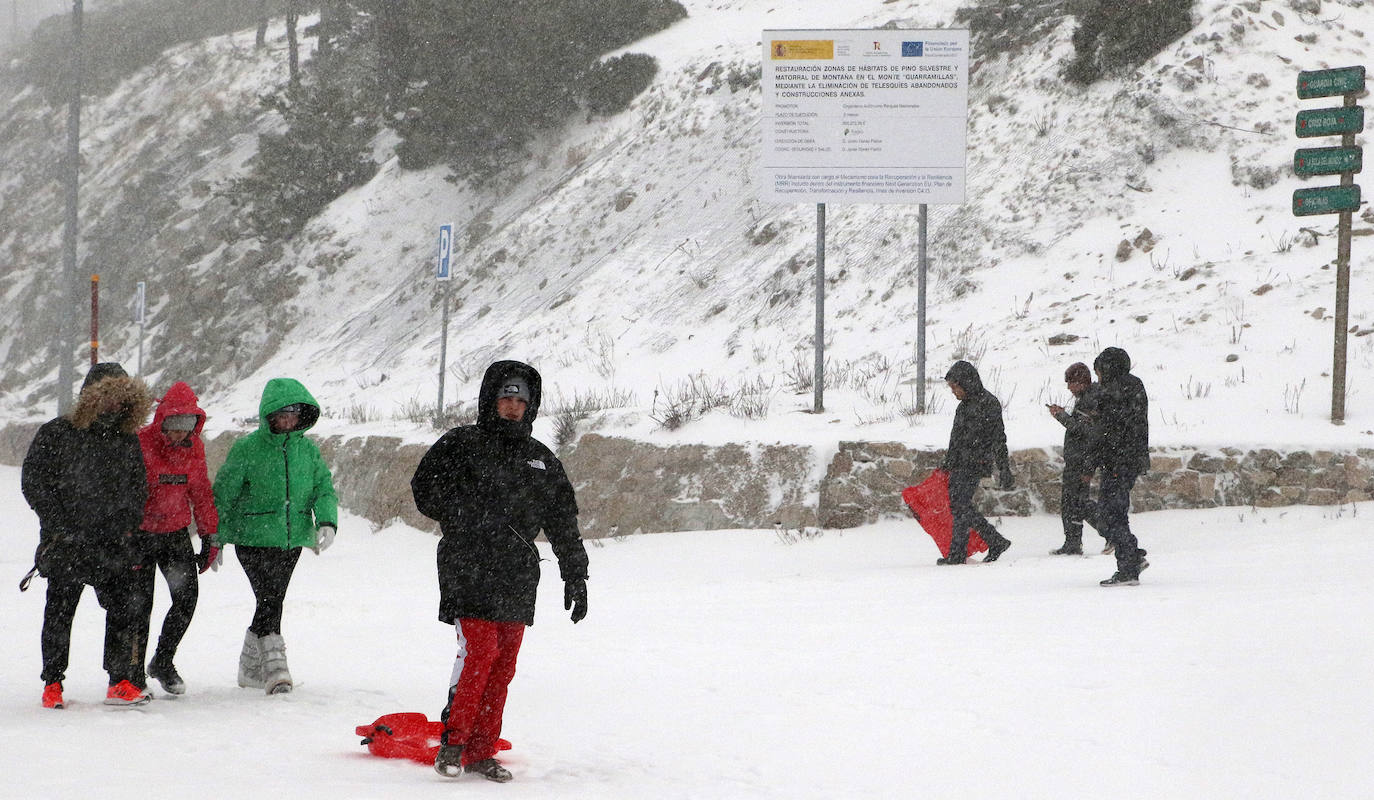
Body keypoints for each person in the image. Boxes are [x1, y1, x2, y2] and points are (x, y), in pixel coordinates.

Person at [412, 360, 590, 783]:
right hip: (467, 563)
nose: (513, 406)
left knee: (504, 662)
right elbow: (425, 488)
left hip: (517, 572)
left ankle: (481, 750)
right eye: (506, 398)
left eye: (521, 400)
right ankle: (452, 744)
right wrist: (461, 516)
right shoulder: (461, 443)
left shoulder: (541, 459)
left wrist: (575, 575)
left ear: (531, 407)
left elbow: (563, 520)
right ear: (492, 400)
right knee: (481, 653)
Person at [21, 362, 155, 708]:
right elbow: (35, 482)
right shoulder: (57, 432)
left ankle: (119, 681)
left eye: (120, 399)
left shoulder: (126, 440)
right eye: (107, 397)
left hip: (112, 543)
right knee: (60, 612)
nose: (113, 405)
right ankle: (52, 683)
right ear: (90, 397)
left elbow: (138, 487)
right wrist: (59, 524)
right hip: (66, 543)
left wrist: (126, 523)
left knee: (124, 609)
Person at [212, 378, 338, 693]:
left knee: (272, 599)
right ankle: (274, 668)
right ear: (269, 414)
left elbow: (323, 488)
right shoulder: (247, 448)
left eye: (294, 411)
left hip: (292, 539)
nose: (288, 417)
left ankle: (250, 668)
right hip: (252, 539)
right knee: (269, 598)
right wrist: (215, 537)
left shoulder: (308, 450)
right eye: (282, 412)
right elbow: (223, 495)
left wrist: (326, 521)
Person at [134, 381, 220, 695]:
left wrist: (211, 535)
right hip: (140, 536)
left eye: (188, 425)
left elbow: (201, 493)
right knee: (138, 606)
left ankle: (163, 660)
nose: (180, 433)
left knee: (186, 600)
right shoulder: (140, 442)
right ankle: (132, 674)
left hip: (174, 534)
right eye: (174, 425)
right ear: (161, 420)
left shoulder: (194, 449)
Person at [938, 360, 1014, 565]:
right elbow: (956, 438)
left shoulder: (988, 403)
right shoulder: (963, 406)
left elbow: (999, 438)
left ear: (966, 382)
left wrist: (1004, 468)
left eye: (955, 387)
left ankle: (983, 544)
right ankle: (967, 549)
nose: (954, 392)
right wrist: (949, 462)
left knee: (960, 505)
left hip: (975, 462)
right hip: (960, 463)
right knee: (959, 506)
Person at [1092, 347, 1150, 586]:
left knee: (1109, 515)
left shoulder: (1115, 390)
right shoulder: (1133, 385)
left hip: (1118, 460)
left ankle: (1129, 564)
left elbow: (1112, 428)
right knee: (1115, 512)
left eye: (1099, 372)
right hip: (1128, 459)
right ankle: (1130, 557)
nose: (1098, 378)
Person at [1046, 362, 1106, 556]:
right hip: (1076, 459)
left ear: (1081, 381)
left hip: (1082, 460)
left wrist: (1061, 416)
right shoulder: (1085, 398)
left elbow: (1084, 431)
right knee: (1070, 503)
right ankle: (1072, 542)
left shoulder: (1091, 399)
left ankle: (1112, 533)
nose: (1068, 388)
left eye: (1070, 383)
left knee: (1080, 503)